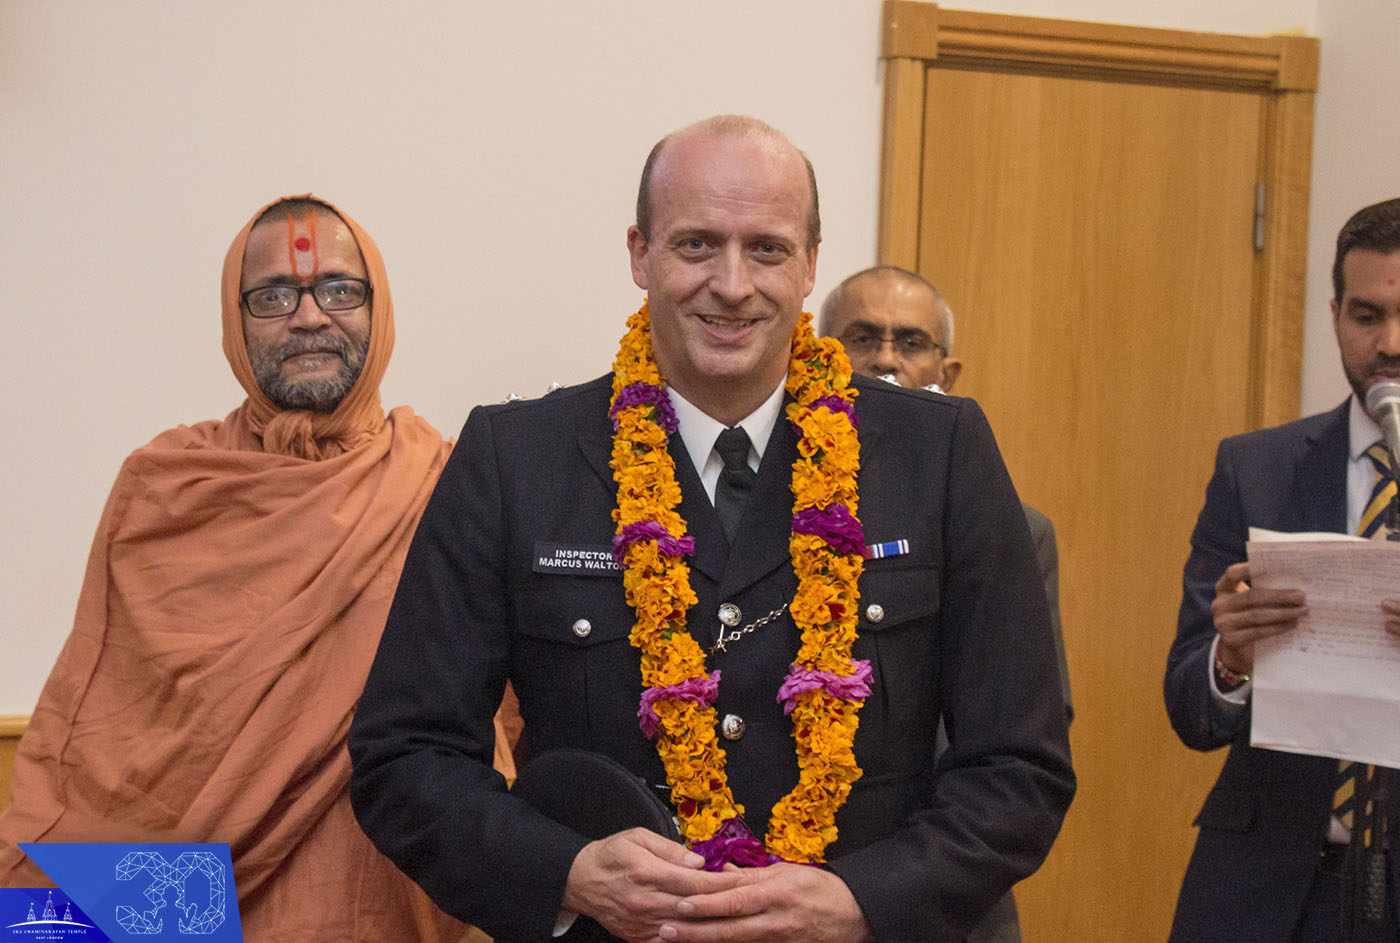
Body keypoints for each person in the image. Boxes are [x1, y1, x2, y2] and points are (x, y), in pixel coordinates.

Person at [349, 116, 1074, 943]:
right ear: (639, 253)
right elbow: (403, 755)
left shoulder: (938, 453)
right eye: (696, 245)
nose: (732, 285)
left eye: (765, 249)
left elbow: (1021, 764)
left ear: (810, 262)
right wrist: (564, 871)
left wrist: (865, 898)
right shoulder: (516, 458)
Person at [0, 195, 515, 941]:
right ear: (235, 321)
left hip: (393, 902)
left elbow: (507, 724)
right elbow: (97, 745)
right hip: (191, 913)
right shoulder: (168, 491)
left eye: (339, 288)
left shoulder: (446, 485)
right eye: (274, 295)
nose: (308, 316)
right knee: (45, 915)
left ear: (380, 310)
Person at [1164, 197, 1400, 942]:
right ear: (1334, 314)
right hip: (1266, 888)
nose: (1389, 343)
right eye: (1367, 316)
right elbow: (1188, 705)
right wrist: (1230, 660)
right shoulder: (1256, 468)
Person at [819, 265, 1073, 943]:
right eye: (862, 336)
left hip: (943, 889)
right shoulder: (771, 512)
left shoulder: (1016, 528)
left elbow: (1026, 729)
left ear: (948, 370)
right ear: (818, 354)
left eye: (911, 342)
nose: (885, 359)